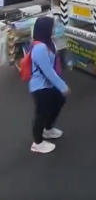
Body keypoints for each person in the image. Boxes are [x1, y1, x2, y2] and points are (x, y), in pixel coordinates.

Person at [29, 16, 70, 154]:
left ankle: (48, 129)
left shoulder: (49, 42)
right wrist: (62, 86)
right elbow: (48, 71)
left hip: (50, 85)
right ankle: (37, 142)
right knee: (42, 113)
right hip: (40, 87)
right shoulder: (40, 48)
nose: (54, 29)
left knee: (58, 102)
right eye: (52, 27)